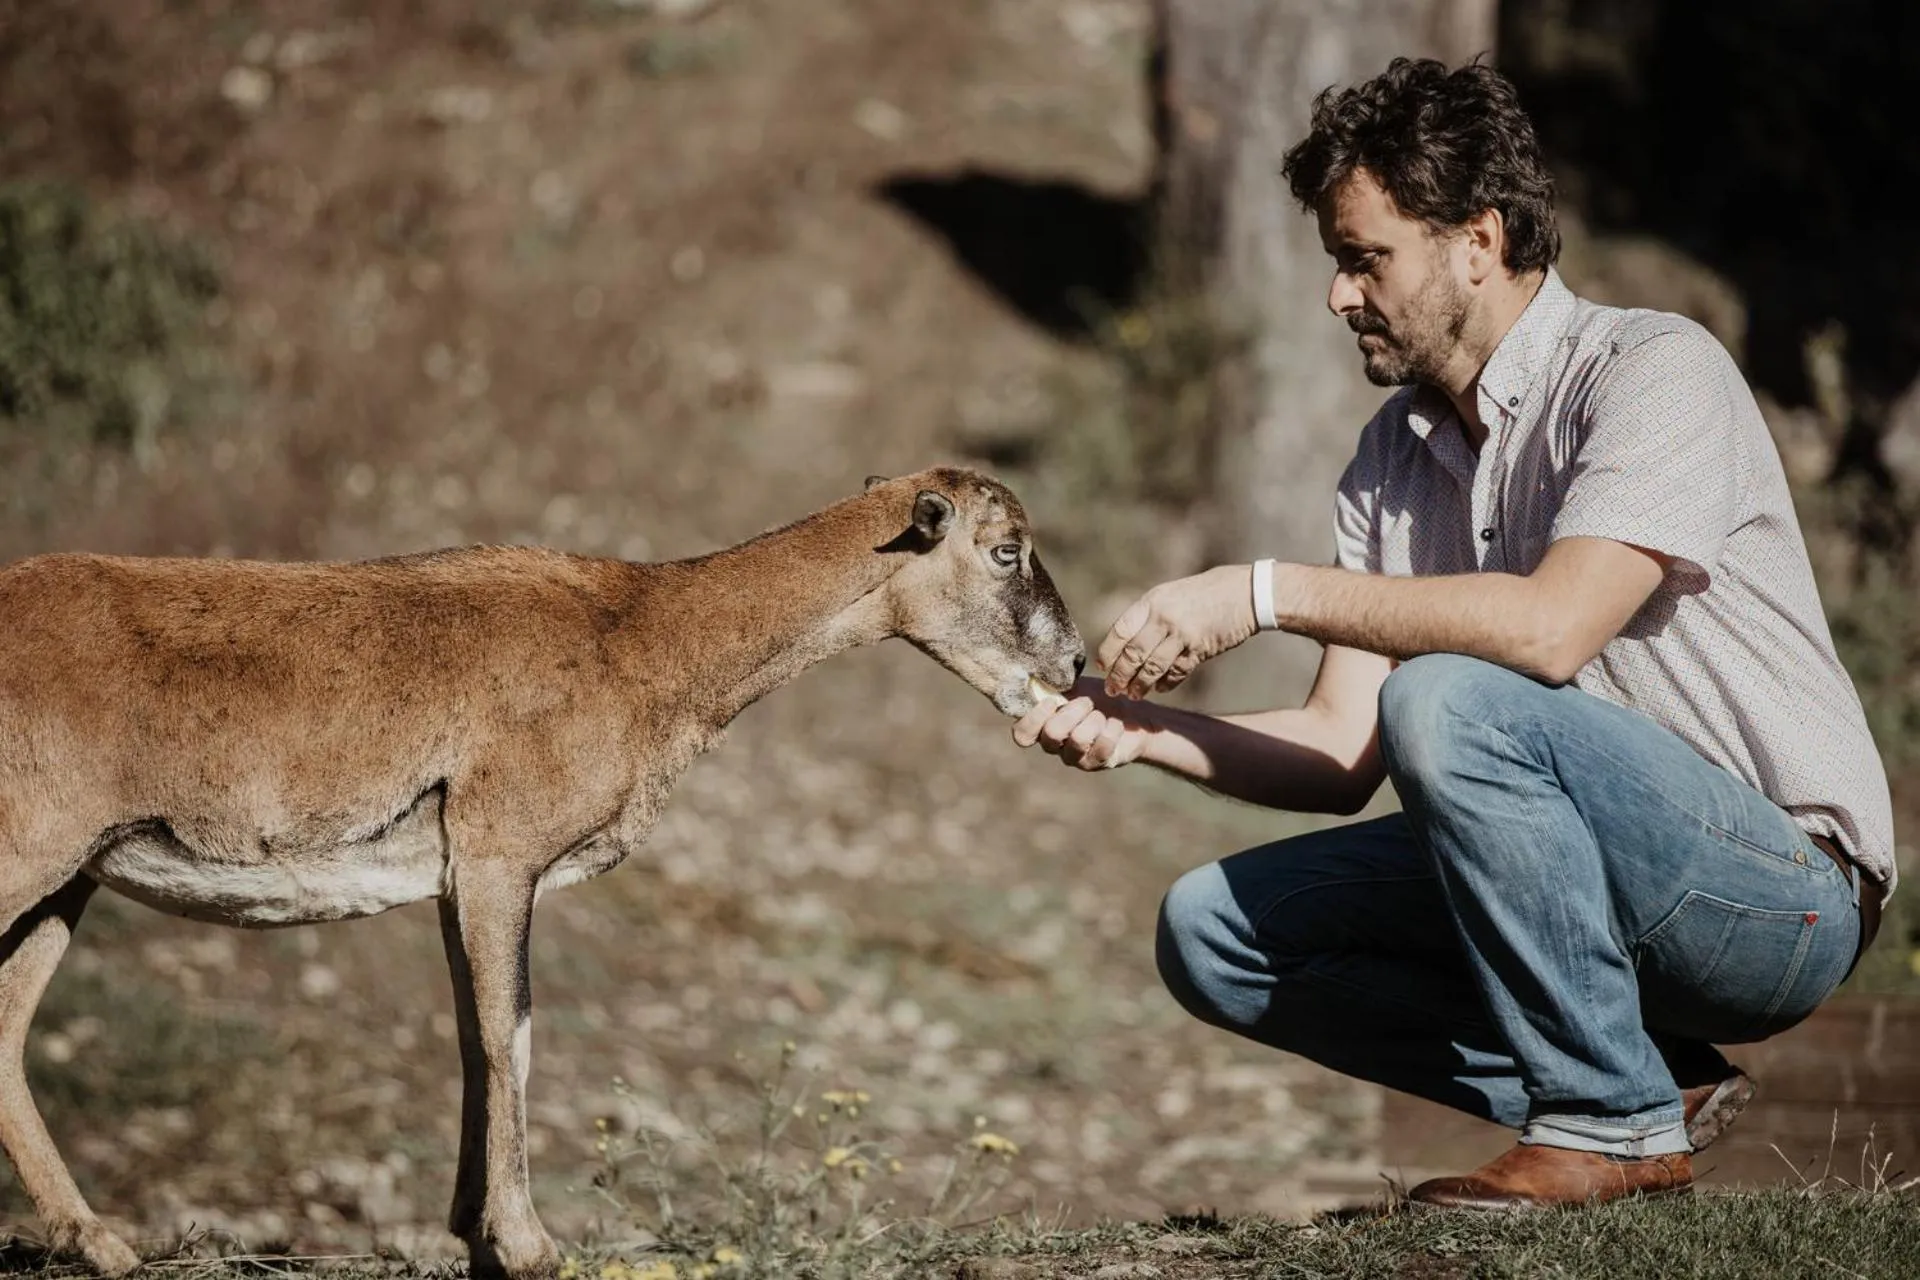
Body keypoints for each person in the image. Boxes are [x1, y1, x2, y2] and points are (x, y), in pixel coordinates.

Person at [1013, 55, 1894, 1209]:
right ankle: (1644, 1087)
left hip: (1779, 894)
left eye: (1364, 258)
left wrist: (1263, 591)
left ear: (1478, 241)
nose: (1339, 296)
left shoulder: (1653, 371)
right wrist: (1143, 731)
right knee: (1214, 929)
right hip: (1588, 884)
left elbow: (1551, 629)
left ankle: (1603, 1118)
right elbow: (1342, 751)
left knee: (1447, 695)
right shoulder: (1394, 458)